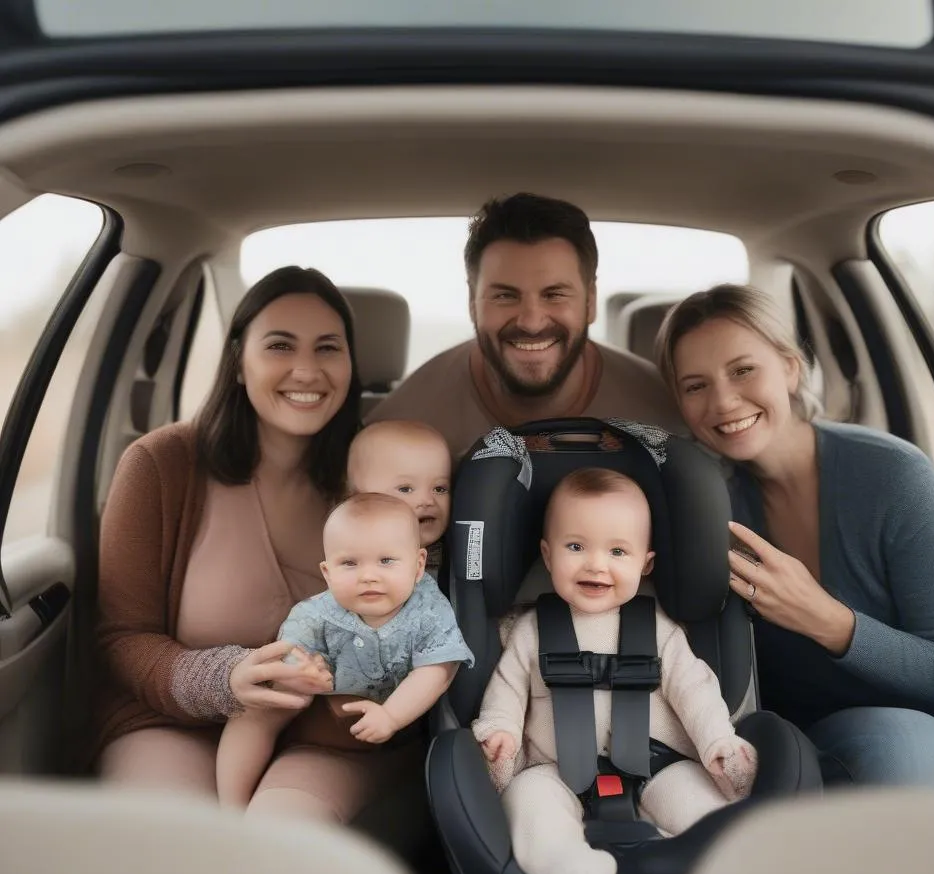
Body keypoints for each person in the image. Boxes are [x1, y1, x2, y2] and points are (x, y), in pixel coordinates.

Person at [92, 266, 430, 836]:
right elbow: (121, 638)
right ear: (237, 360)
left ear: (350, 364)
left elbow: (429, 604)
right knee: (174, 843)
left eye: (328, 348)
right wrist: (223, 680)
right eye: (279, 345)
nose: (307, 370)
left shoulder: (382, 475)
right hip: (178, 723)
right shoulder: (161, 465)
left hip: (334, 739)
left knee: (279, 847)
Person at [654, 283, 934, 784]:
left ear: (790, 367)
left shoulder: (893, 474)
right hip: (850, 723)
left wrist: (826, 618)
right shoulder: (700, 508)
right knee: (912, 751)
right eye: (695, 385)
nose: (723, 401)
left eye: (743, 370)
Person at [472, 468, 756, 874]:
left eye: (617, 551)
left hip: (658, 764)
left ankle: (704, 866)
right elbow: (504, 691)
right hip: (556, 769)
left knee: (706, 811)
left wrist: (719, 745)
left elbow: (695, 692)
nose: (596, 565)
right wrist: (499, 735)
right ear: (547, 555)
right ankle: (573, 871)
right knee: (530, 806)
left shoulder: (660, 631)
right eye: (576, 547)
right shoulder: (529, 631)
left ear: (645, 564)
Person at [366, 192, 685, 457]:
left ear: (590, 301)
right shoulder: (400, 427)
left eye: (555, 294)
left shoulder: (669, 417)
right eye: (505, 295)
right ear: (471, 302)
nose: (531, 322)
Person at [216, 493, 474, 807]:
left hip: (386, 723)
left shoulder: (429, 609)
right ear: (328, 572)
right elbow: (290, 648)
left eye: (386, 561)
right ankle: (231, 806)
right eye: (349, 563)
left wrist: (392, 716)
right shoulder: (318, 612)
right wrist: (303, 669)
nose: (368, 575)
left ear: (418, 565)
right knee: (256, 710)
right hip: (316, 705)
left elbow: (437, 671)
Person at [346, 419, 452, 577]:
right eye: (406, 489)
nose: (427, 501)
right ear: (357, 499)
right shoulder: (349, 555)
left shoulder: (460, 556)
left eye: (439, 489)